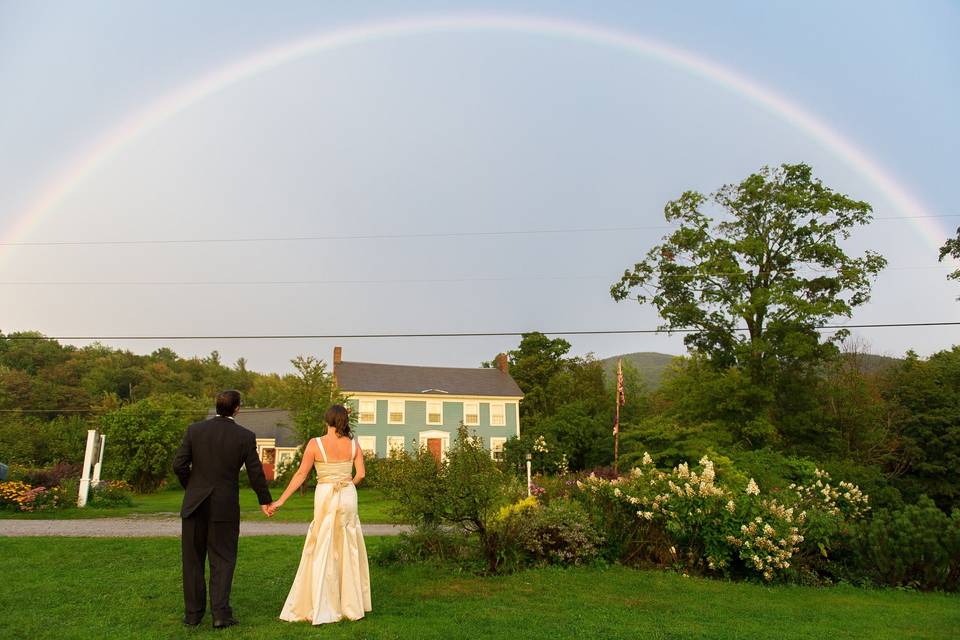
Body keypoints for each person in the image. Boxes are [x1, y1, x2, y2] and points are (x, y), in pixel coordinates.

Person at [172, 389, 273, 629]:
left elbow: (179, 465)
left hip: (194, 505)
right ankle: (220, 615)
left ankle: (193, 615)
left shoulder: (194, 430)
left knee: (193, 561)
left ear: (217, 406)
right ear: (237, 409)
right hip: (224, 506)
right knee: (224, 560)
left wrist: (192, 487)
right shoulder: (244, 436)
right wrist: (264, 500)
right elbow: (255, 472)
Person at [270, 404, 372, 624]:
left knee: (323, 542)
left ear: (326, 421)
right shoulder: (354, 444)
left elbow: (301, 474)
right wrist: (347, 485)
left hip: (325, 493)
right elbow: (361, 474)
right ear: (344, 421)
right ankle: (351, 604)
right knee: (348, 544)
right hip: (348, 493)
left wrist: (281, 500)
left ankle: (323, 601)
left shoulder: (315, 444)